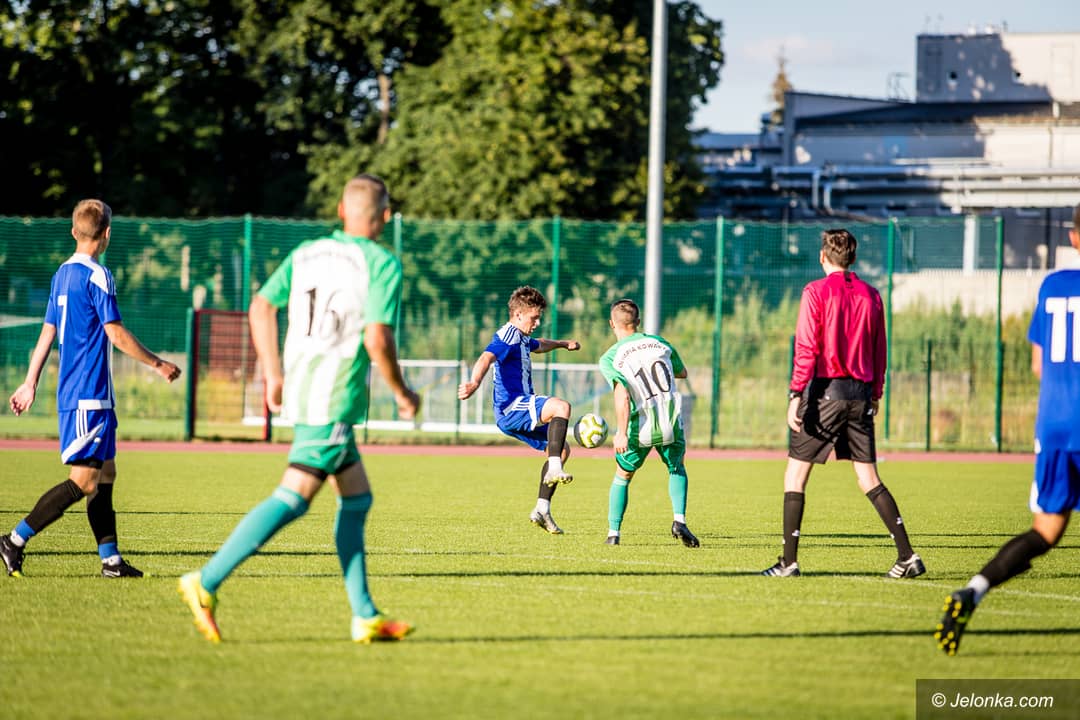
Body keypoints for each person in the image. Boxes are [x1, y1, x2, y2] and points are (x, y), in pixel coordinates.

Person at [178, 174, 421, 644]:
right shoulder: (381, 262)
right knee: (295, 495)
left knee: (357, 498)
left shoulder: (306, 253)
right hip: (333, 396)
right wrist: (402, 391)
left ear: (340, 210)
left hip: (305, 388)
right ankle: (205, 581)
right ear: (386, 216)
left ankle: (365, 615)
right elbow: (377, 337)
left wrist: (273, 373)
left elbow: (261, 307)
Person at [2, 199, 182, 579]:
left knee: (106, 474)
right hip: (87, 395)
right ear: (107, 234)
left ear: (74, 232)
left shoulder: (61, 274)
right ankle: (14, 540)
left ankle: (110, 561)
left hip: (87, 395)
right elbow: (115, 333)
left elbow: (47, 332)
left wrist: (30, 382)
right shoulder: (98, 275)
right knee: (83, 481)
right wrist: (158, 364)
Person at [936, 204, 1080, 655]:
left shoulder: (1052, 285)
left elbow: (1039, 365)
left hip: (1054, 425)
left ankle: (973, 590)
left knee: (1046, 531)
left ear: (1073, 237)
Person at [761, 228, 924, 579]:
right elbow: (880, 349)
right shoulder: (872, 295)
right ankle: (907, 556)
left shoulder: (815, 291)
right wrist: (876, 392)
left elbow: (807, 347)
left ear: (823, 256)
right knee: (868, 477)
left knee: (795, 475)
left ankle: (788, 563)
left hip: (826, 392)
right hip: (861, 394)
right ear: (853, 258)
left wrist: (795, 393)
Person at [457, 286, 580, 534]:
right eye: (534, 318)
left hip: (516, 409)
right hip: (512, 407)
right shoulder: (508, 335)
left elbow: (539, 344)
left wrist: (562, 344)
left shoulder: (521, 337)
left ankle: (542, 509)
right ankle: (555, 468)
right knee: (561, 407)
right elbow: (486, 357)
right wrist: (474, 382)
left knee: (561, 449)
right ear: (518, 314)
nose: (537, 323)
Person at [599, 299, 699, 548]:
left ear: (612, 324)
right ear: (638, 322)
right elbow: (682, 372)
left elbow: (622, 395)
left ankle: (613, 533)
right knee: (676, 468)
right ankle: (679, 521)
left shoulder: (611, 357)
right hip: (670, 421)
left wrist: (621, 433)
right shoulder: (660, 342)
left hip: (640, 426)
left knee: (623, 475)